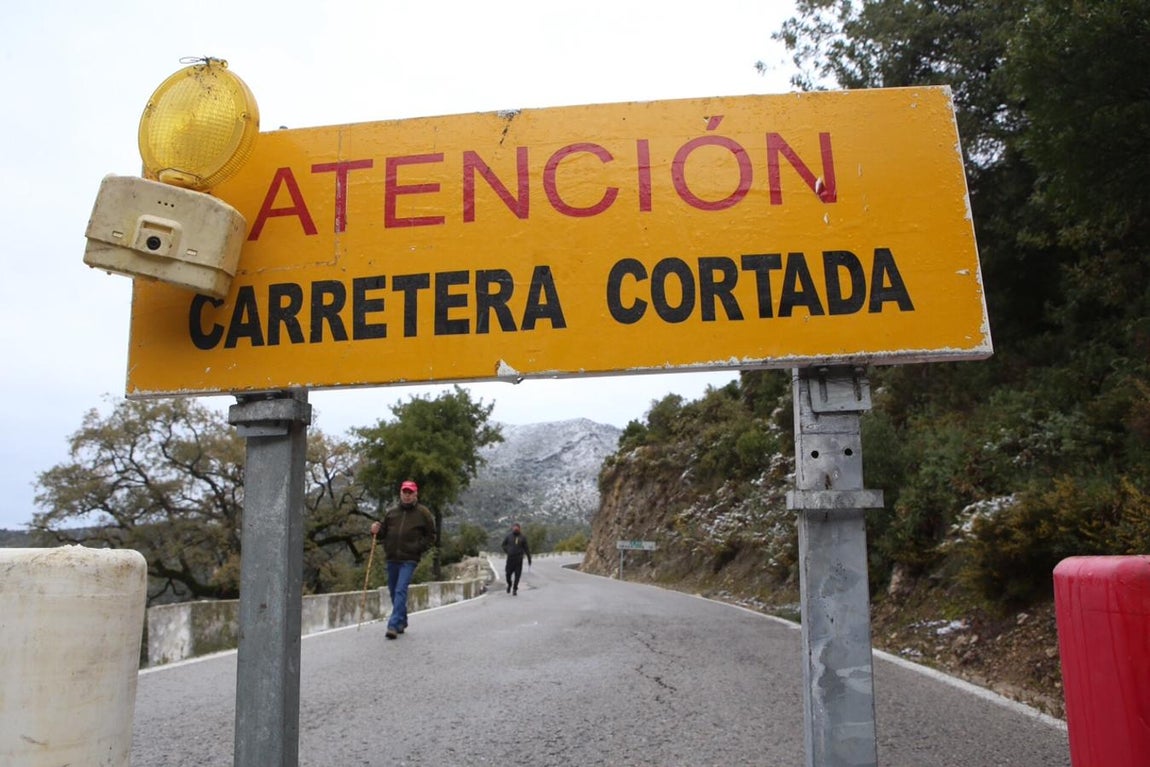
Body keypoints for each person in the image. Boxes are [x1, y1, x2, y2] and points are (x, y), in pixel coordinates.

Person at [370, 480, 436, 640]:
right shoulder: (391, 513)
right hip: (392, 557)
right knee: (393, 590)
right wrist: (374, 531)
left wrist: (417, 548)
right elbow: (382, 534)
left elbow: (431, 536)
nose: (407, 496)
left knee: (400, 589)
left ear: (415, 494)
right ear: (400, 493)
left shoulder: (423, 513)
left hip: (409, 558)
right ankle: (402, 620)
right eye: (404, 492)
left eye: (410, 493)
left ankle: (392, 625)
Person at [501, 523, 532, 596]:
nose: (516, 530)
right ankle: (509, 584)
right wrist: (507, 551)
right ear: (512, 528)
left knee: (517, 575)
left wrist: (529, 558)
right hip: (510, 559)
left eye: (517, 529)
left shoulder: (523, 537)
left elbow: (526, 549)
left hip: (519, 559)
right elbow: (503, 545)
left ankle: (515, 589)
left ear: (519, 529)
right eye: (515, 528)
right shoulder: (509, 536)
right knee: (508, 574)